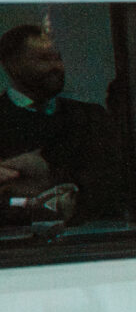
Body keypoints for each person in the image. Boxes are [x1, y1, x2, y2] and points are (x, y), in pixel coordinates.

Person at [0, 24, 103, 223]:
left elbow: (110, 189)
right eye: (44, 59)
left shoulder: (90, 117)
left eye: (58, 58)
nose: (57, 67)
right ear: (12, 65)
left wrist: (47, 176)